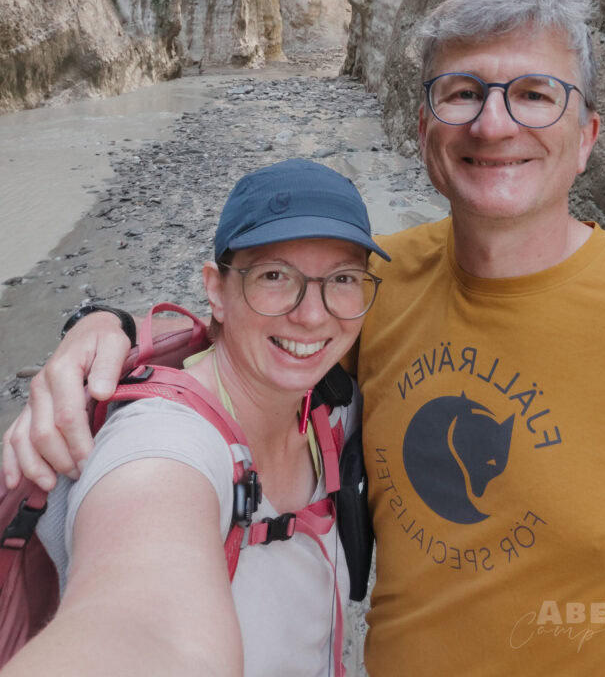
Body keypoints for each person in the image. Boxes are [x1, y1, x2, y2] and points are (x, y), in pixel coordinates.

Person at [4, 0, 605, 676]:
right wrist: (103, 329)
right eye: (462, 92)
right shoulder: (375, 289)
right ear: (426, 129)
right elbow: (239, 347)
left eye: (535, 94)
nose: (493, 123)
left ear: (588, 137)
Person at [1, 158, 390, 677]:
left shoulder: (335, 403)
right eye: (275, 275)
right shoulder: (160, 438)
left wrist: (102, 319)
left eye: (341, 278)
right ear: (216, 290)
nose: (313, 314)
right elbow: (142, 622)